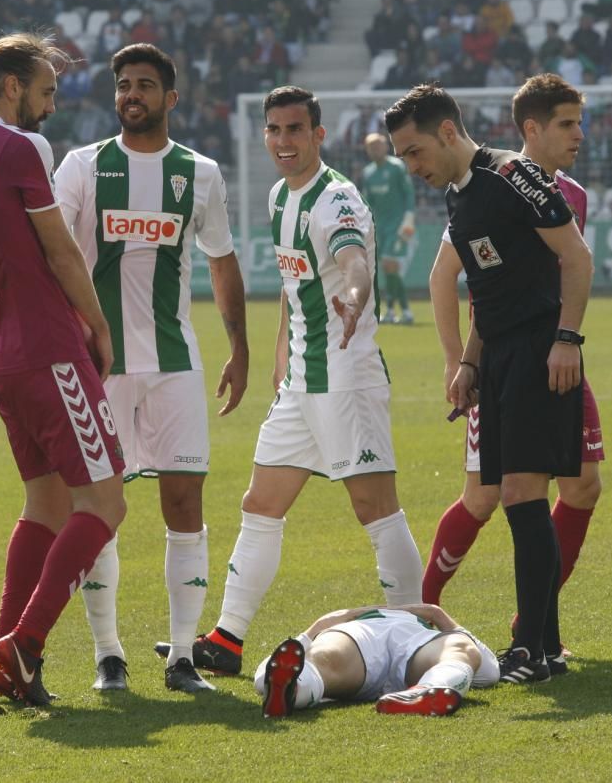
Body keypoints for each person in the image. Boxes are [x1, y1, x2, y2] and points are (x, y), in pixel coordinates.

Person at [159, 87, 423, 677]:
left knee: (375, 509)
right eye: (274, 130)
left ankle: (414, 638)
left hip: (346, 379)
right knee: (261, 504)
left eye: (295, 130)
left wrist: (354, 297)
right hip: (301, 381)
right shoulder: (281, 196)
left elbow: (354, 261)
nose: (283, 141)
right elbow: (291, 284)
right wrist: (281, 357)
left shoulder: (337, 200)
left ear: (318, 135)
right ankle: (226, 641)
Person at [53, 43, 248, 694]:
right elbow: (56, 257)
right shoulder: (82, 167)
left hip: (174, 364)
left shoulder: (200, 173)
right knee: (101, 507)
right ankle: (109, 654)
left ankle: (184, 657)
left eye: (145, 85)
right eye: (124, 85)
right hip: (99, 367)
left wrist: (239, 346)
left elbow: (221, 260)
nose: (131, 94)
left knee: (184, 500)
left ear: (170, 97)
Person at [385, 84, 594, 684]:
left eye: (415, 151)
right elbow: (489, 296)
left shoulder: (514, 174)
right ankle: (545, 647)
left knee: (523, 498)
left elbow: (576, 259)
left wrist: (567, 339)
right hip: (499, 356)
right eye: (403, 156)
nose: (412, 166)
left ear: (448, 133)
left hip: (538, 353)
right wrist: (469, 363)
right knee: (513, 499)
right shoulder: (460, 196)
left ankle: (529, 648)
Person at [0, 32, 128, 707]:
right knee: (106, 502)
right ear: (14, 86)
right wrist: (98, 325)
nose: (51, 106)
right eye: (46, 91)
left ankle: (9, 661)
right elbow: (59, 250)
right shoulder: (22, 146)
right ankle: (24, 646)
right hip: (42, 347)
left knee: (46, 503)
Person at [255, 603, 499, 718]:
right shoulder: (349, 616)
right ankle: (287, 687)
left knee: (460, 647)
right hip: (362, 632)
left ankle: (424, 691)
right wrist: (349, 615)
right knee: (323, 655)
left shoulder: (430, 623)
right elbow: (492, 672)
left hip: (414, 642)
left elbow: (489, 672)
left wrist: (436, 613)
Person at [361, 132, 416, 325]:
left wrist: (408, 219)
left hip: (397, 225)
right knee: (387, 269)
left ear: (386, 146)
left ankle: (406, 311)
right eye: (371, 147)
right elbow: (368, 202)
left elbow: (409, 193)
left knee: (390, 265)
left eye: (378, 145)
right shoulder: (368, 173)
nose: (375, 149)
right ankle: (392, 310)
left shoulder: (396, 167)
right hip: (380, 227)